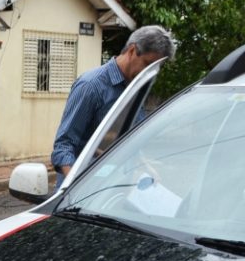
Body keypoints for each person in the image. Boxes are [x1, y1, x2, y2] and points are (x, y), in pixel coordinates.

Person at [51, 25, 176, 187]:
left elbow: (128, 142)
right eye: (147, 64)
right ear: (132, 51)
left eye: (155, 68)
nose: (151, 73)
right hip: (82, 195)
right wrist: (76, 188)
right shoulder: (91, 86)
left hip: (116, 193)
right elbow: (63, 146)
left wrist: (146, 166)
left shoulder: (136, 88)